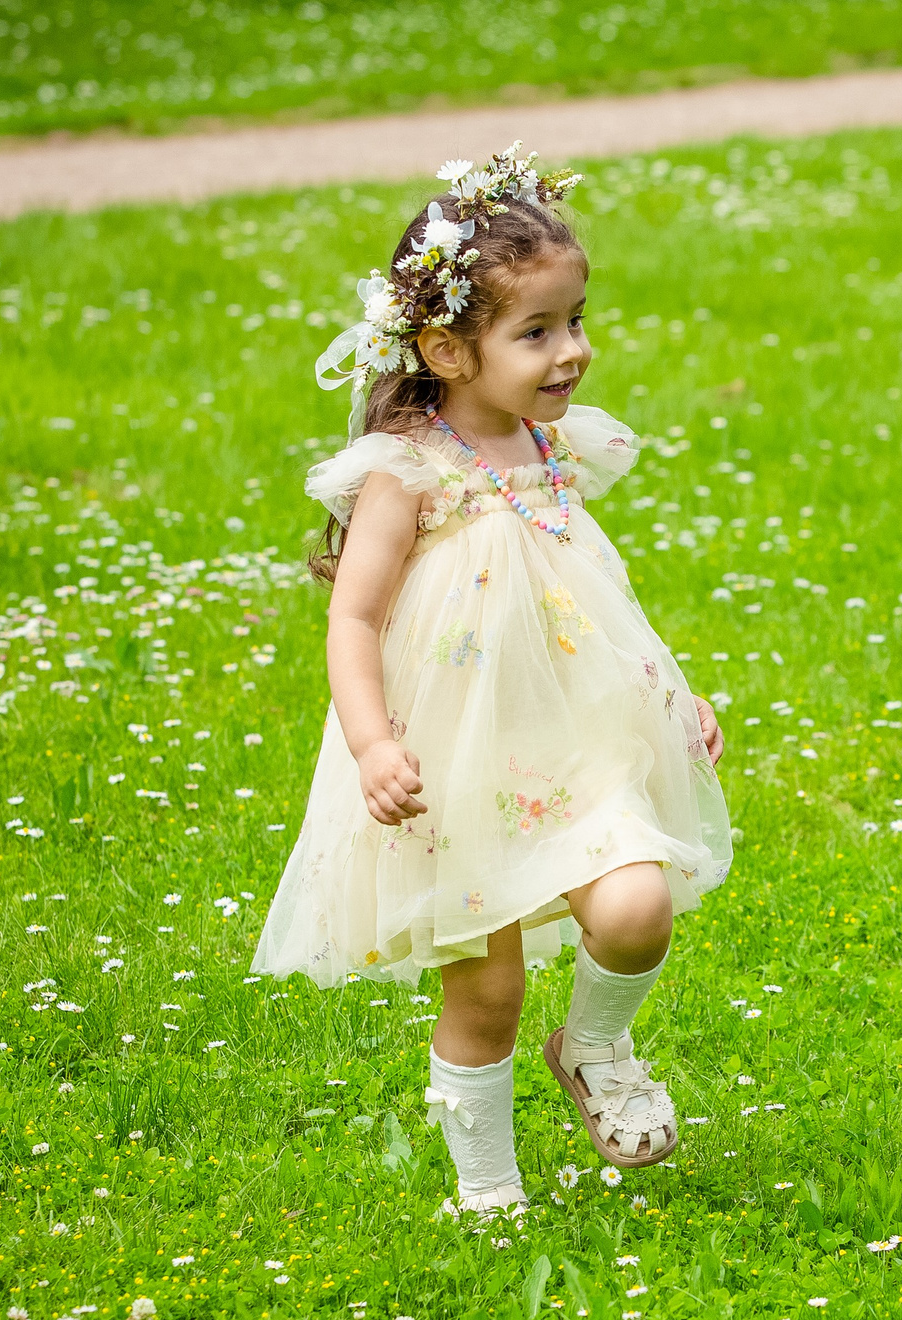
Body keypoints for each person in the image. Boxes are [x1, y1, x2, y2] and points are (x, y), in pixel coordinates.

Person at [253, 145, 734, 1215]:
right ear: (446, 350)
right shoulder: (406, 469)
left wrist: (674, 690)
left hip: (572, 741)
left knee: (638, 905)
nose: (574, 351)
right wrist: (375, 744)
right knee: (488, 989)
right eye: (538, 332)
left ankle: (595, 1048)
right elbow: (355, 617)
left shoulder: (545, 444)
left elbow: (594, 588)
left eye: (575, 320)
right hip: (452, 764)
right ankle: (488, 1193)